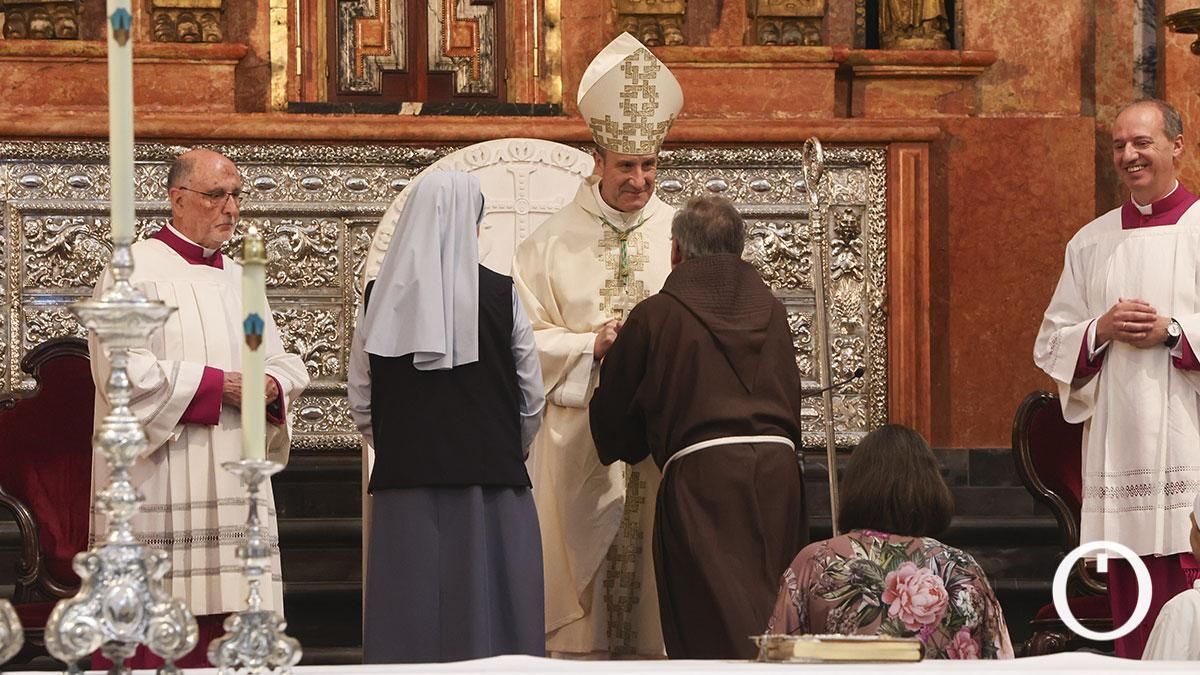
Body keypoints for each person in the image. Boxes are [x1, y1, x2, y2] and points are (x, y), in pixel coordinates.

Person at [87, 148, 310, 667]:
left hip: (233, 472)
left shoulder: (240, 276)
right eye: (215, 195)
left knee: (232, 609)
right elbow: (122, 372)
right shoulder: (133, 270)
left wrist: (272, 383)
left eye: (236, 195)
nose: (229, 208)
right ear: (177, 198)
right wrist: (218, 388)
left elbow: (277, 356)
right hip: (161, 472)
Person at [511, 32, 684, 658]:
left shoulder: (678, 232)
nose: (640, 180)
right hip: (579, 436)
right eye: (626, 167)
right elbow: (521, 341)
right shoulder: (548, 243)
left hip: (660, 443)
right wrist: (591, 345)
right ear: (597, 160)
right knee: (586, 618)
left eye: (650, 166)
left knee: (654, 607)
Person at [588, 196, 807, 659]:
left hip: (701, 481)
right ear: (740, 249)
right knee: (777, 610)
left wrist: (633, 440)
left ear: (676, 252)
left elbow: (614, 426)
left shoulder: (655, 315)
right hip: (779, 477)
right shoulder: (774, 309)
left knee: (707, 619)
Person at [347, 171, 546, 663]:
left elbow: (361, 398)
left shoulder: (377, 297)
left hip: (406, 491)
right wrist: (506, 444)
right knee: (494, 631)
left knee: (411, 628)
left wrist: (399, 444)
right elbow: (531, 395)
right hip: (493, 490)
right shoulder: (503, 294)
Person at [1034, 98, 1200, 658]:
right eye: (1119, 145)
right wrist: (1098, 328)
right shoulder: (1091, 242)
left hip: (1188, 439)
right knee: (1132, 600)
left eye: (1142, 143)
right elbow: (1051, 341)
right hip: (1119, 447)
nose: (1129, 155)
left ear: (1177, 145)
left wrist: (1174, 332)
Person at [767, 425, 1013, 659]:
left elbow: (777, 655)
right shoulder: (963, 568)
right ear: (931, 487)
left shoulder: (816, 561)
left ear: (855, 487)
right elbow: (1001, 659)